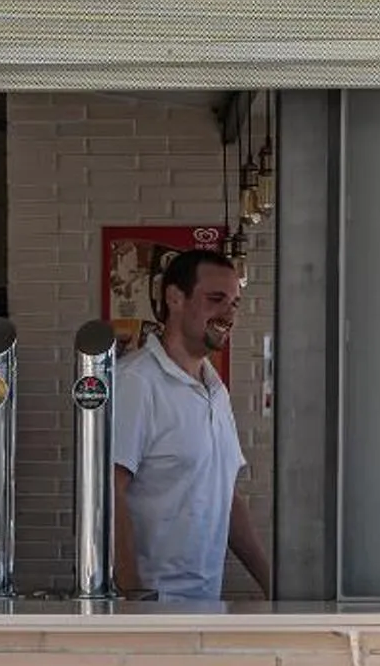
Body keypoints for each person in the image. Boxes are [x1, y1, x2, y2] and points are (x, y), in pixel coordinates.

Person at [110, 249, 273, 601]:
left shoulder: (216, 390)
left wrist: (275, 585)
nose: (228, 314)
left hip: (203, 603)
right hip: (151, 610)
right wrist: (134, 595)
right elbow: (108, 492)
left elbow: (225, 497)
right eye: (216, 299)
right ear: (175, 298)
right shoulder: (136, 382)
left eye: (235, 303)